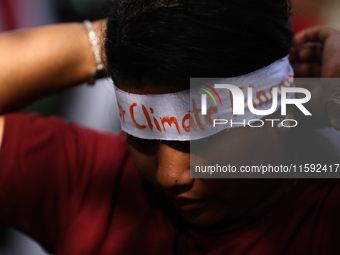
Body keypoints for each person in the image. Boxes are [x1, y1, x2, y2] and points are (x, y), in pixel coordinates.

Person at [0, 0, 340, 254]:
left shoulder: (325, 217)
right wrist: (133, 31)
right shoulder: (95, 184)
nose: (170, 175)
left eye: (202, 138)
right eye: (142, 136)